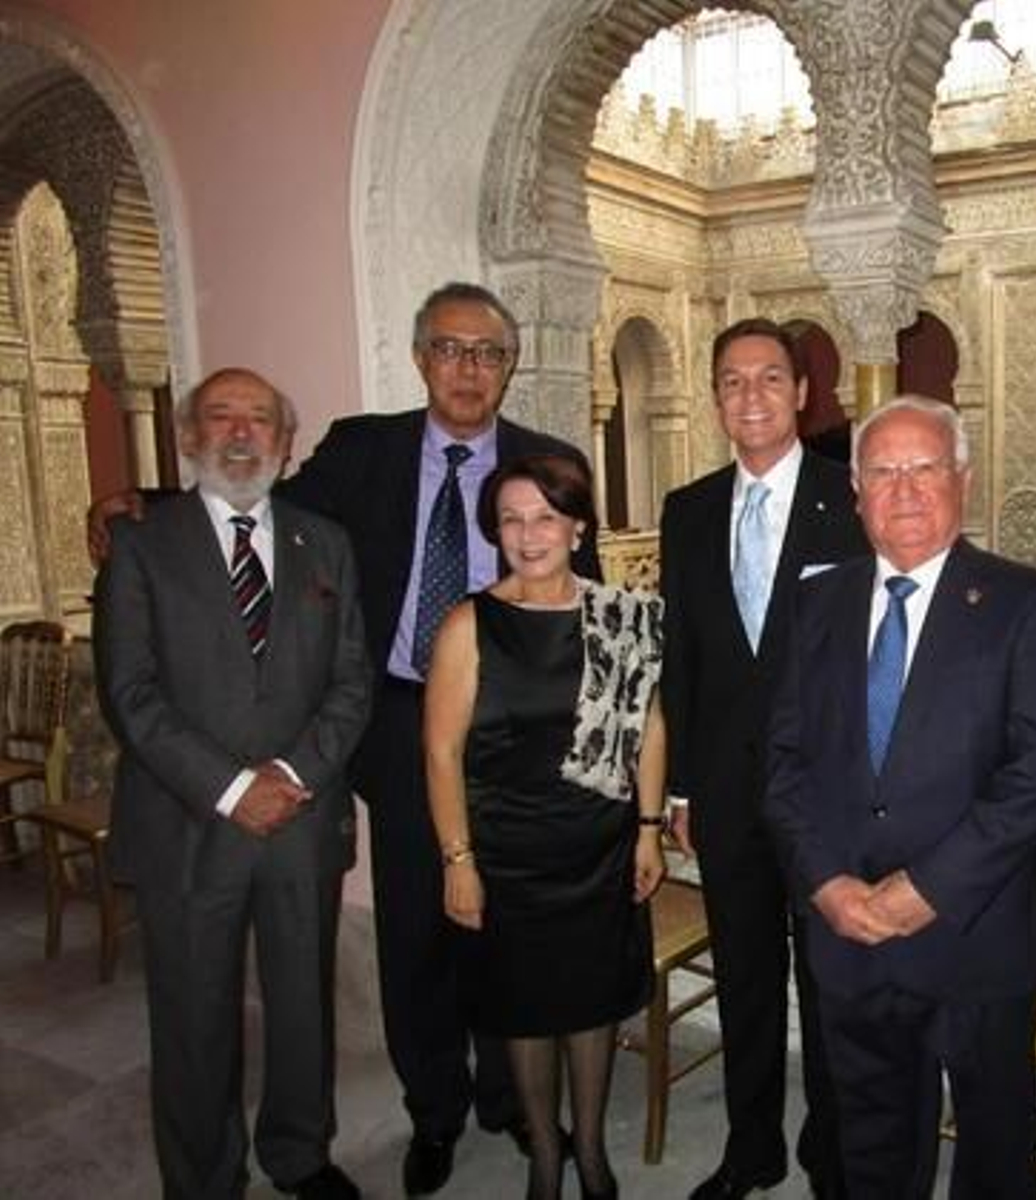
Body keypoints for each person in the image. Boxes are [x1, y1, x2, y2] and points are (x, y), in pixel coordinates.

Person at [87, 282, 602, 1196]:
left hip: (517, 730)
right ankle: (436, 1112)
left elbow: (585, 607)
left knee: (510, 928)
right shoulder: (363, 449)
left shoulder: (548, 460)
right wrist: (144, 499)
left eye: (486, 352)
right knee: (416, 932)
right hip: (401, 722)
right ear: (420, 358)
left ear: (510, 363)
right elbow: (254, 501)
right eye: (449, 348)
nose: (467, 369)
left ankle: (511, 1100)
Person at [764, 397, 1036, 1200]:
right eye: (883, 471)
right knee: (870, 1147)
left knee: (995, 1152)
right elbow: (783, 761)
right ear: (858, 493)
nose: (903, 489)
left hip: (976, 933)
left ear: (962, 481)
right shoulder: (814, 604)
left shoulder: (1027, 601)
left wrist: (926, 889)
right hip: (848, 932)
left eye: (924, 467)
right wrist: (826, 885)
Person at [94, 369, 371, 1199]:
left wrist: (288, 775)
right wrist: (227, 788)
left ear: (286, 446)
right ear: (189, 437)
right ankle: (205, 1178)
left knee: (303, 1009)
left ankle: (300, 1154)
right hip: (188, 825)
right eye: (222, 416)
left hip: (300, 817)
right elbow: (129, 694)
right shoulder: (140, 543)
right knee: (191, 1019)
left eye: (260, 420)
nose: (242, 432)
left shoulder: (326, 544)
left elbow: (352, 681)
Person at [658, 318, 868, 1199]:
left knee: (827, 986)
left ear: (802, 392)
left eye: (769, 379)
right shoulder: (689, 509)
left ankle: (830, 1151)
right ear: (715, 399)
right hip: (726, 792)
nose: (751, 396)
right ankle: (752, 1148)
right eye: (732, 381)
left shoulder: (850, 496)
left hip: (825, 793)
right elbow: (685, 657)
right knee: (745, 975)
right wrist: (675, 788)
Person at [424, 454, 665, 1200]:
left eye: (546, 517)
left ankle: (589, 1148)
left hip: (597, 847)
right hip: (506, 855)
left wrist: (650, 828)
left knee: (589, 1005)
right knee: (524, 1010)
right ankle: (544, 1157)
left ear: (577, 526)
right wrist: (457, 859)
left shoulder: (619, 614)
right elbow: (440, 750)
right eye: (512, 519)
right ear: (496, 531)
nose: (529, 536)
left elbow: (649, 727)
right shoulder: (471, 623)